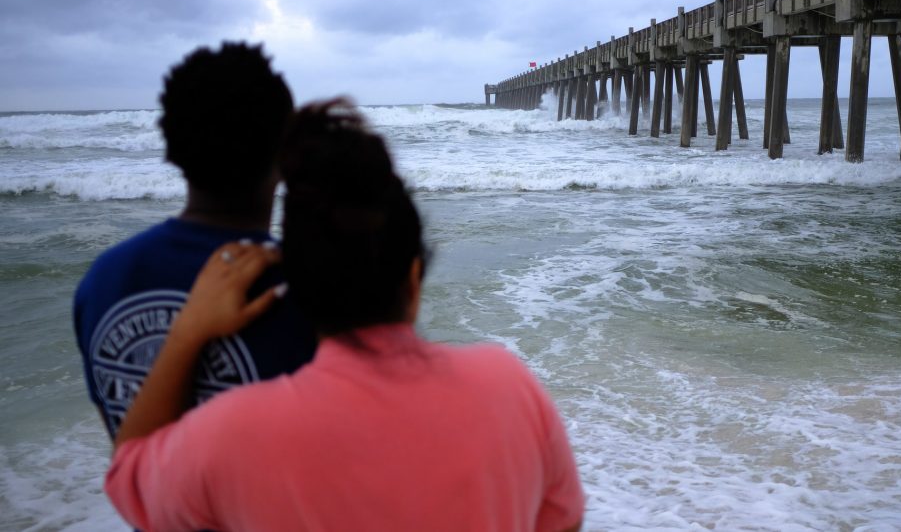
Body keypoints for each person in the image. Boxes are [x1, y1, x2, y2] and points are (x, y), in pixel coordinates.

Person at [104, 100, 586, 532]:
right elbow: (563, 520)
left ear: (297, 285)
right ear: (413, 279)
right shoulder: (509, 386)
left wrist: (188, 331)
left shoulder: (231, 435)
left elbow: (130, 476)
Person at [73, 42, 317, 440]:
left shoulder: (103, 280)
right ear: (286, 156)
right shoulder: (309, 294)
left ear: (171, 149)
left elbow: (127, 445)